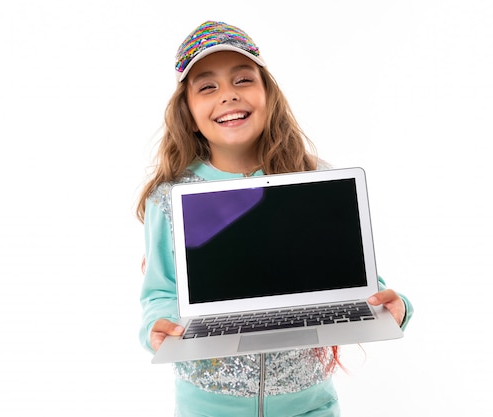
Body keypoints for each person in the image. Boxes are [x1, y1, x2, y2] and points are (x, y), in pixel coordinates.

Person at [136, 20, 413, 417]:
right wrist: (156, 325)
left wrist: (393, 304)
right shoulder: (169, 198)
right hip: (207, 407)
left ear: (267, 92)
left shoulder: (316, 180)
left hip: (309, 405)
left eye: (243, 79)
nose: (228, 96)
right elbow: (159, 292)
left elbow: (354, 280)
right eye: (207, 86)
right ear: (188, 109)